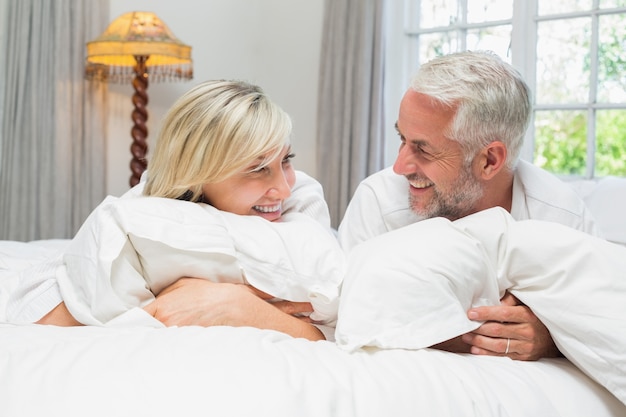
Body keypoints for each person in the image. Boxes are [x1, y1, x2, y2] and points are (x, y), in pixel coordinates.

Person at [7, 80, 342, 341]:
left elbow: (334, 328)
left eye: (286, 160)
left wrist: (238, 302)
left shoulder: (302, 207)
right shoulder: (148, 216)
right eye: (258, 169)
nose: (283, 188)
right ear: (199, 173)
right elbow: (37, 311)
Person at [337, 50, 600, 361]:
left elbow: (601, 325)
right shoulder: (379, 203)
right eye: (402, 139)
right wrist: (462, 336)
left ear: (489, 160)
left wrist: (550, 339)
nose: (399, 166)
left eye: (423, 150)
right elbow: (345, 319)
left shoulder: (560, 216)